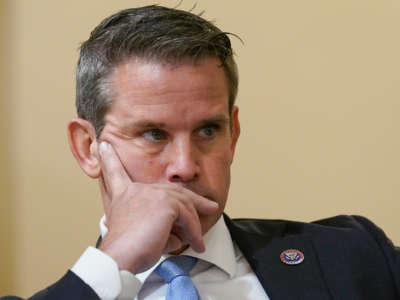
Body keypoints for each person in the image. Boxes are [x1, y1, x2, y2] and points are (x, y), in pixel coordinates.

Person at [2, 5, 400, 300]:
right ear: (89, 149)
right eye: (153, 134)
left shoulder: (356, 257)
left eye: (208, 130)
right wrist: (114, 260)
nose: (185, 166)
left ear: (234, 134)